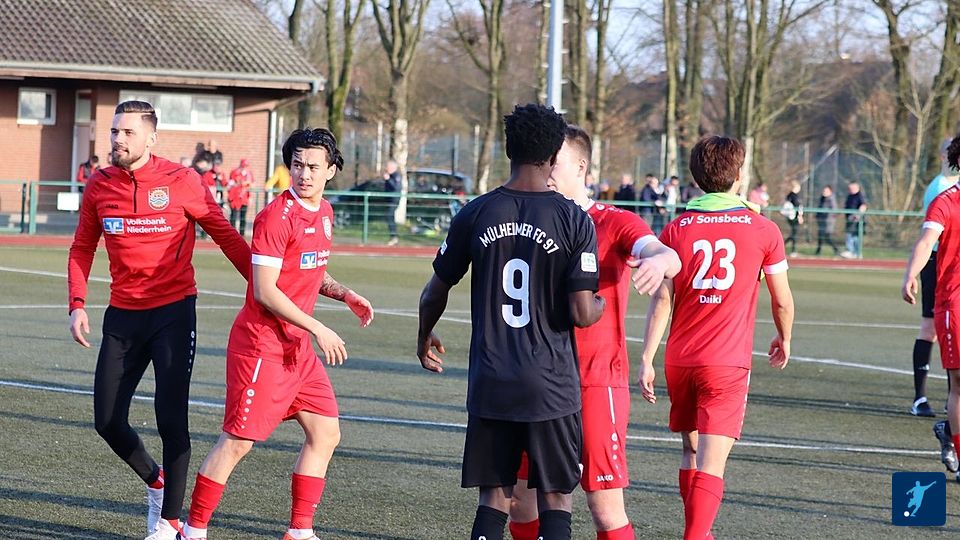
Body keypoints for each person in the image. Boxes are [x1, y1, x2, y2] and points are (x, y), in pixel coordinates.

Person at [416, 104, 605, 540]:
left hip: (492, 379)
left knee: (494, 496)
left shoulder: (475, 212)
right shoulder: (575, 220)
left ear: (507, 149)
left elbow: (433, 291)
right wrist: (601, 303)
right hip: (551, 384)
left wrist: (424, 336)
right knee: (556, 497)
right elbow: (582, 313)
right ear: (554, 153)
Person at [67, 100, 251, 540]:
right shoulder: (99, 185)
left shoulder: (182, 180)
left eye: (128, 132)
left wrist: (264, 289)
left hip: (173, 314)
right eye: (114, 131)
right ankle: (156, 481)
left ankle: (170, 523)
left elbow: (226, 236)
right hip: (122, 317)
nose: (118, 139)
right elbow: (82, 247)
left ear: (151, 138)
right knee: (107, 421)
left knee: (171, 418)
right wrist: (77, 302)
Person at [179, 128, 375, 540]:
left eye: (313, 166)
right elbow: (266, 290)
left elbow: (310, 269)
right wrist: (318, 327)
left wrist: (345, 294)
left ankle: (299, 532)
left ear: (331, 171)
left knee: (326, 433)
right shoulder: (275, 217)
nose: (304, 174)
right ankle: (192, 531)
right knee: (238, 442)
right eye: (297, 165)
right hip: (261, 347)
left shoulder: (325, 212)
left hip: (296, 351)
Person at [507, 125, 680, 540]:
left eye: (556, 162)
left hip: (595, 381)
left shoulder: (615, 222)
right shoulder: (527, 218)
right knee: (520, 500)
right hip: (537, 379)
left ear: (581, 167)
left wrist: (661, 260)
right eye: (544, 161)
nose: (546, 169)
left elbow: (662, 252)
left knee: (604, 507)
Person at [638, 135, 794, 539]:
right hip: (726, 362)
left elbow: (662, 300)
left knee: (690, 449)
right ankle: (695, 535)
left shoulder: (676, 229)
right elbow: (782, 300)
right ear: (738, 176)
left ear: (696, 178)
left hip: (680, 359)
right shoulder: (763, 229)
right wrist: (784, 337)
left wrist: (647, 358)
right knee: (712, 462)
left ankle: (699, 532)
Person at [903, 136, 960, 485]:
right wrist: (910, 273)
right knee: (959, 383)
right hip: (954, 298)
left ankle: (949, 430)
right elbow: (927, 241)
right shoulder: (945, 197)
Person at [912, 140, 959, 419]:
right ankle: (920, 397)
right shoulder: (941, 188)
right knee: (929, 327)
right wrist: (912, 273)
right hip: (938, 264)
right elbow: (930, 237)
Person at [227, 159, 253, 236]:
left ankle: (242, 234)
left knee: (243, 216)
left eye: (246, 166)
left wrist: (250, 197)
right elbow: (231, 183)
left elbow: (251, 185)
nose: (244, 168)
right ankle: (232, 233)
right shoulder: (235, 172)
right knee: (234, 215)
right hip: (235, 197)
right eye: (243, 166)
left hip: (244, 198)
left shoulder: (249, 174)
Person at [842, 181, 867, 258]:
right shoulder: (849, 196)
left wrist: (858, 215)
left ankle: (853, 251)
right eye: (849, 188)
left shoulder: (860, 195)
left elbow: (863, 206)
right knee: (851, 235)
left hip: (856, 219)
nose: (850, 189)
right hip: (849, 218)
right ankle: (855, 252)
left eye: (852, 188)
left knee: (853, 235)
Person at [814, 185, 840, 256]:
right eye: (824, 191)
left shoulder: (831, 199)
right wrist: (817, 215)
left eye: (826, 191)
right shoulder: (822, 198)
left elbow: (834, 210)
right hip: (821, 221)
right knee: (820, 235)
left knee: (827, 237)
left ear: (830, 191)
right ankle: (818, 251)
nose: (824, 192)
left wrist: (827, 214)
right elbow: (819, 208)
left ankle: (836, 249)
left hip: (828, 221)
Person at [781, 180, 804, 257]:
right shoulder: (793, 196)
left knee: (794, 233)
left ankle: (784, 245)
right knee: (794, 234)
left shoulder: (792, 196)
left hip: (793, 217)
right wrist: (800, 216)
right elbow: (797, 207)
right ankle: (792, 250)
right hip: (793, 217)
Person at [383, 159, 401, 246]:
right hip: (388, 200)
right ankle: (393, 237)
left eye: (388, 166)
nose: (386, 168)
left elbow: (396, 188)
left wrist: (388, 179)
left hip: (394, 200)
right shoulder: (390, 175)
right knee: (389, 217)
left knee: (389, 216)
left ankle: (394, 237)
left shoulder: (396, 175)